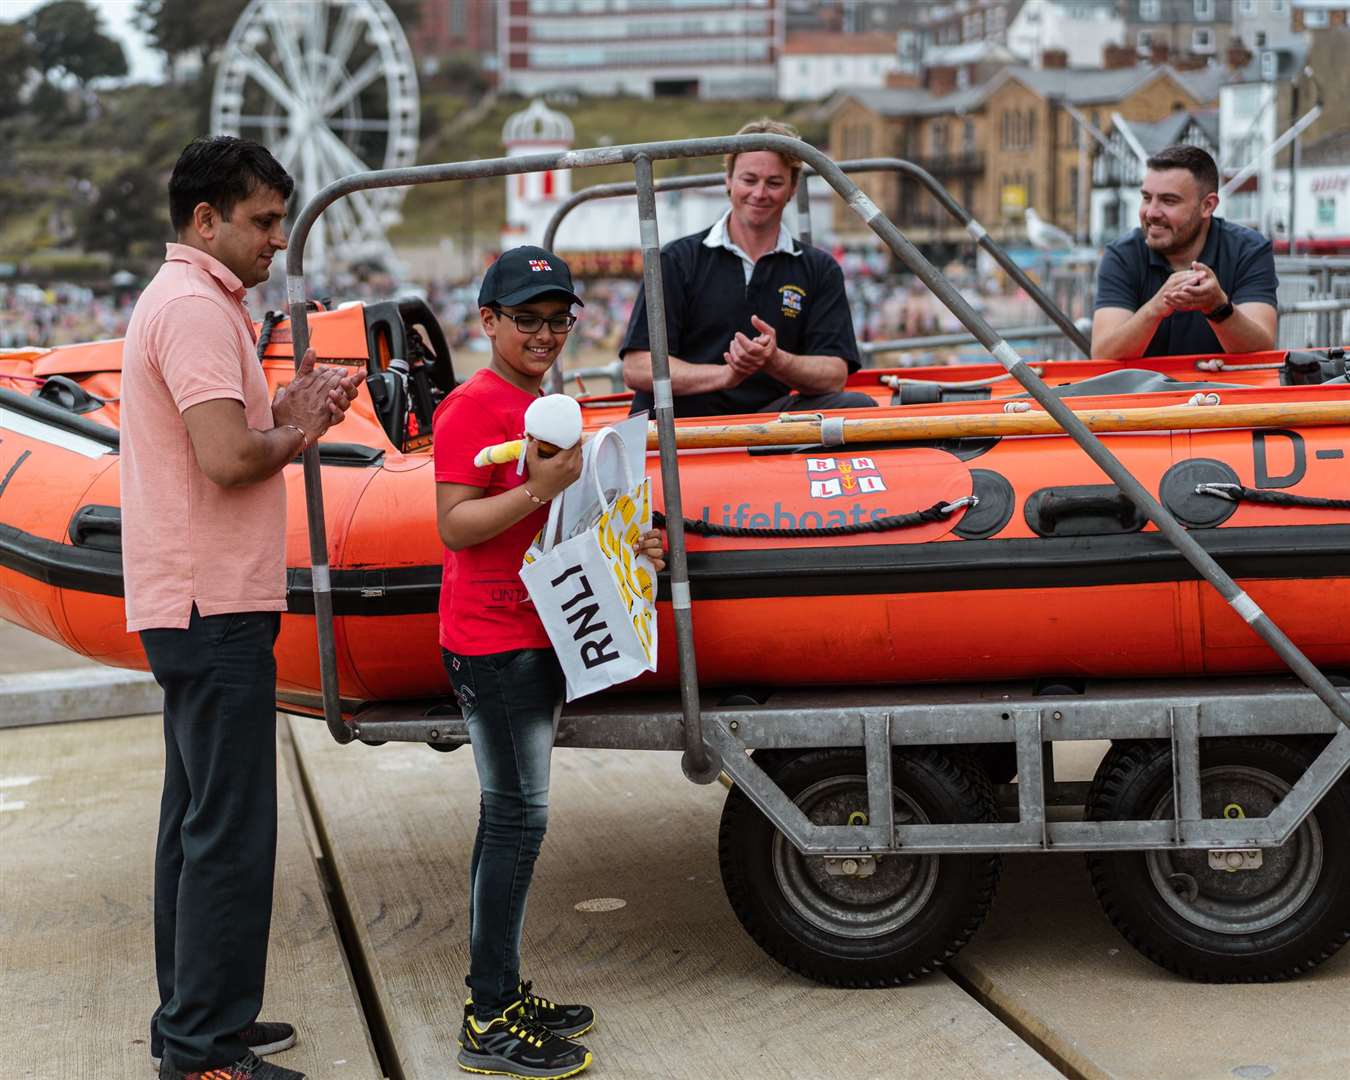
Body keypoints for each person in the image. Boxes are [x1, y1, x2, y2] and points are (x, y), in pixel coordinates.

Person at [122, 136, 359, 1080]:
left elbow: (221, 443)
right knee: (228, 832)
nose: (276, 239)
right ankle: (204, 1048)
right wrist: (301, 424)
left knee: (195, 817)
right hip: (210, 602)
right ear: (204, 220)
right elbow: (225, 459)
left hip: (190, 599)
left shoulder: (191, 303)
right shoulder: (191, 309)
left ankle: (192, 1016)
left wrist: (293, 409)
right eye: (262, 221)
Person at [434, 246, 665, 1079]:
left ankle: (500, 991)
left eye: (557, 320)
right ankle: (487, 1017)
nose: (543, 334)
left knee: (511, 819)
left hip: (539, 634)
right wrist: (538, 487)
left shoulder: (541, 402)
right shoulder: (472, 408)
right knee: (515, 822)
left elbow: (564, 526)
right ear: (487, 321)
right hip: (492, 642)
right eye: (524, 320)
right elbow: (455, 527)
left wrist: (630, 536)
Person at [620, 118, 875, 417]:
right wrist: (725, 375)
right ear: (728, 180)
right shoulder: (677, 260)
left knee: (859, 408)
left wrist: (776, 360)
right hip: (680, 425)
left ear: (793, 187)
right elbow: (636, 368)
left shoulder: (820, 269)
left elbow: (834, 374)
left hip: (767, 423)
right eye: (749, 180)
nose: (759, 193)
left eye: (774, 183)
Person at [1092, 144, 1279, 359]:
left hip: (1225, 390)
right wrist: (1156, 308)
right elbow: (1103, 355)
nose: (1151, 212)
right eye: (1146, 198)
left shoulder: (1249, 250)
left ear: (1207, 206)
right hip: (1143, 391)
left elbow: (1263, 352)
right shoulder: (1122, 254)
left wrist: (1217, 307)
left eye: (1168, 201)